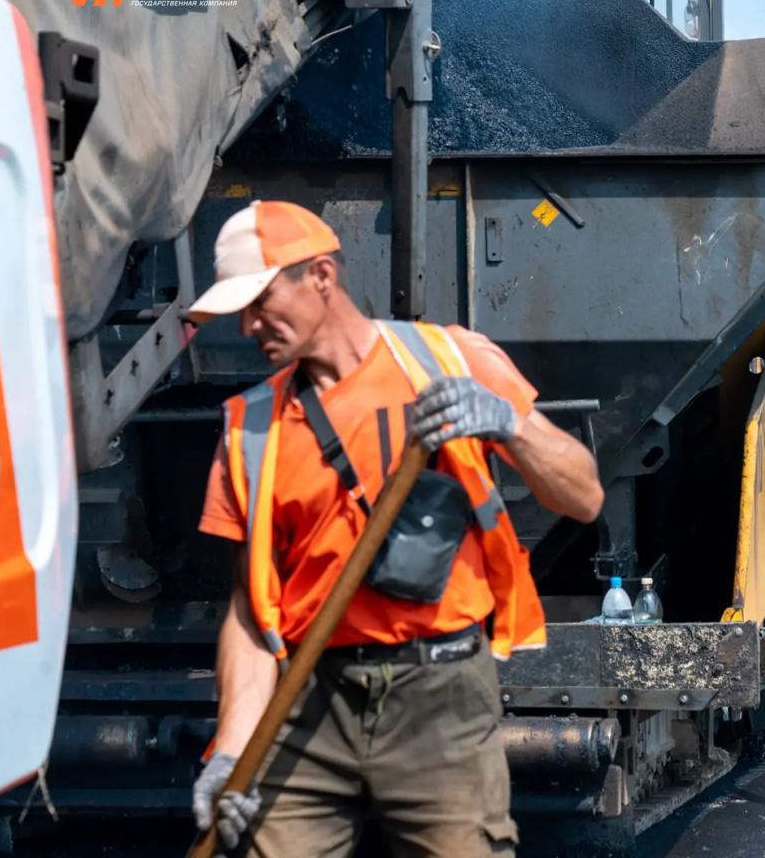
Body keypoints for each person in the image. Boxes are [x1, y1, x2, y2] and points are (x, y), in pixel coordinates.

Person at [187, 200, 605, 856]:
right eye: (240, 311)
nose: (247, 326)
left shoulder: (447, 360)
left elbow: (583, 495)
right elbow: (248, 614)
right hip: (310, 700)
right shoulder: (252, 428)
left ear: (321, 276)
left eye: (260, 302)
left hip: (439, 696)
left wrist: (507, 422)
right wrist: (229, 755)